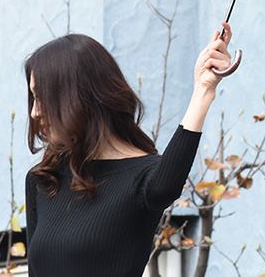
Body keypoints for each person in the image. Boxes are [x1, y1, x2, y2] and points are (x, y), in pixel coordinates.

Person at [23, 21, 238, 277]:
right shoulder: (45, 179)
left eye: (42, 97)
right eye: (33, 98)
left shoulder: (144, 180)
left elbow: (167, 184)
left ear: (76, 96)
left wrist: (203, 90)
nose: (35, 112)